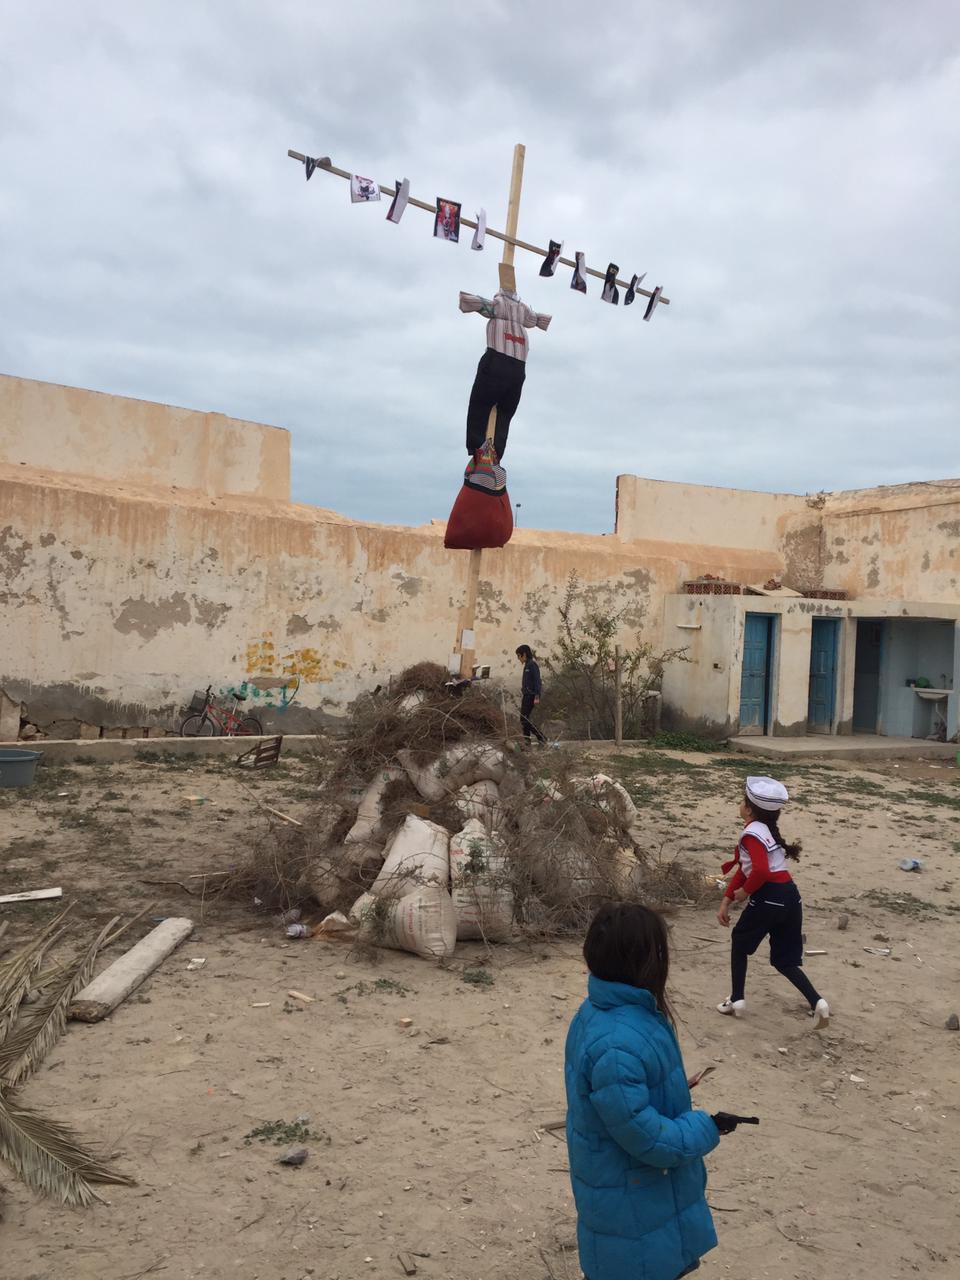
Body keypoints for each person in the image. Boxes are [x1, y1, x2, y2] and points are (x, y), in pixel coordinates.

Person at [565, 903, 726, 1280]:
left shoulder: (606, 1012)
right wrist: (707, 1127)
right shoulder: (617, 1042)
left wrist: (671, 1089)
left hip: (635, 1193)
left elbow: (621, 1100)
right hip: (632, 1198)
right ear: (643, 961)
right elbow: (648, 1138)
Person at [716, 776, 830, 1029]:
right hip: (790, 896)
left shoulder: (751, 834)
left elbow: (759, 871)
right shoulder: (766, 831)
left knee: (739, 942)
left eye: (742, 801)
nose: (740, 805)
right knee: (783, 960)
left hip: (770, 896)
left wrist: (744, 893)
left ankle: (737, 999)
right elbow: (745, 869)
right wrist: (726, 900)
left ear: (749, 809)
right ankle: (818, 1002)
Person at [459, 289, 551, 459]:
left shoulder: (498, 305)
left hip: (497, 358)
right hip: (518, 367)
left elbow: (476, 304)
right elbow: (536, 320)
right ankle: (496, 454)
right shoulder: (525, 312)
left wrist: (468, 300)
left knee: (480, 405)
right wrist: (540, 320)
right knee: (505, 414)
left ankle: (478, 448)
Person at [515, 644, 546, 744]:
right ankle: (527, 740)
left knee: (523, 719)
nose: (518, 658)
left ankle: (541, 737)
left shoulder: (532, 665)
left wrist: (537, 695)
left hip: (531, 695)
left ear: (524, 654)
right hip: (526, 695)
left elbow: (537, 681)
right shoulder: (527, 665)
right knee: (525, 718)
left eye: (518, 656)